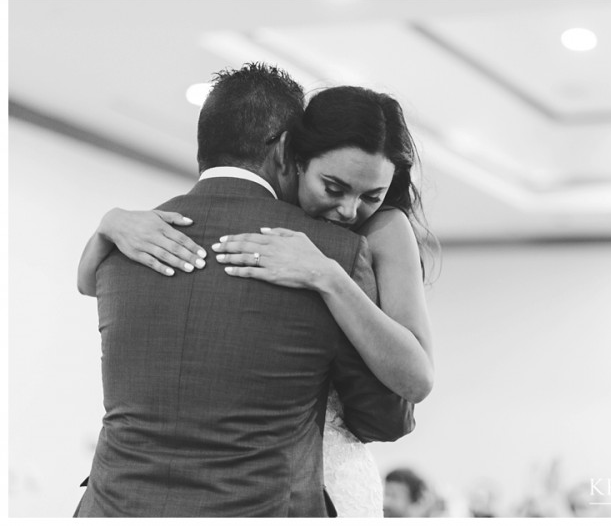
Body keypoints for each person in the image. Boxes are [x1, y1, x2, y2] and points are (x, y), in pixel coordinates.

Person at [77, 80, 436, 516]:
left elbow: (411, 383)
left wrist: (327, 275)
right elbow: (384, 417)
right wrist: (108, 223)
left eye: (371, 196)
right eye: (333, 187)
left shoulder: (373, 236)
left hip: (120, 502)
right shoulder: (132, 234)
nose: (348, 210)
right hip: (268, 495)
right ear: (294, 158)